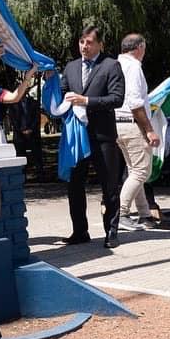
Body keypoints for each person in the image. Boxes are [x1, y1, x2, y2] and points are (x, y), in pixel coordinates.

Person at [60, 26, 125, 249]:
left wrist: (86, 101)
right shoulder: (71, 67)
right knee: (74, 185)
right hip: (77, 138)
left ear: (100, 45)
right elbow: (62, 93)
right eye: (81, 42)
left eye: (89, 42)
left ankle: (112, 232)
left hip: (102, 136)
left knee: (109, 185)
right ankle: (80, 231)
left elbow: (117, 98)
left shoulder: (111, 65)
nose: (84, 47)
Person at [114, 34, 160, 231]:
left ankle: (144, 215)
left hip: (117, 124)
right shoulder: (133, 67)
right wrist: (149, 130)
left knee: (134, 170)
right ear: (139, 47)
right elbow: (135, 102)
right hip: (132, 123)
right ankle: (121, 213)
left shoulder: (114, 64)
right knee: (142, 171)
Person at [8, 86, 44, 178]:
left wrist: (30, 129)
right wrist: (22, 130)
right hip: (19, 134)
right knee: (20, 155)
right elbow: (13, 120)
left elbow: (37, 118)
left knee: (37, 155)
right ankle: (22, 176)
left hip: (33, 133)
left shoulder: (33, 103)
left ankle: (40, 175)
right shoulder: (12, 104)